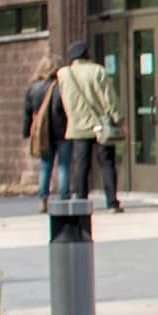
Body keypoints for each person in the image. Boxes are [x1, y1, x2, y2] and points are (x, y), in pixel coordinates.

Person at [56, 41, 125, 213]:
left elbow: (63, 99)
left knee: (81, 164)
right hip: (101, 124)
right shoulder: (97, 71)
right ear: (86, 54)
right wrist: (118, 118)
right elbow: (109, 98)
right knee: (107, 163)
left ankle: (81, 200)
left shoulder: (63, 74)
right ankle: (111, 202)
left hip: (78, 125)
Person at [21, 56, 63, 211]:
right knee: (63, 165)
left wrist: (27, 131)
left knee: (45, 166)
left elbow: (27, 112)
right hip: (62, 130)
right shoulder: (60, 86)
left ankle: (43, 197)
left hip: (43, 133)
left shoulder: (33, 87)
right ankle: (64, 196)